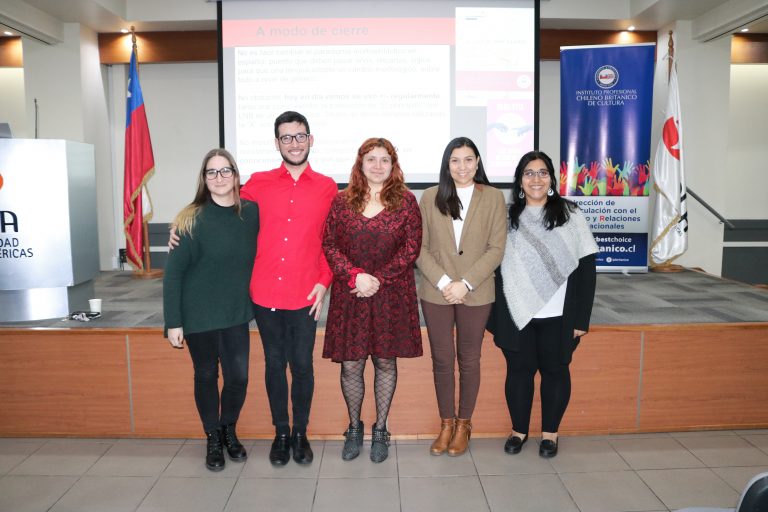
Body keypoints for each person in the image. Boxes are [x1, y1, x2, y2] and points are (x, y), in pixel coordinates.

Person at [170, 111, 337, 467]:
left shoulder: (327, 187)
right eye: (286, 137)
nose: (294, 143)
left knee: (303, 366)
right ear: (277, 143)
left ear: (311, 139)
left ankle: (299, 433)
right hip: (263, 295)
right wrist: (180, 223)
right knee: (275, 364)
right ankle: (280, 433)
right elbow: (217, 201)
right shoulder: (257, 184)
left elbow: (330, 243)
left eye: (300, 136)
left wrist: (324, 282)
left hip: (306, 294)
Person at [487, 150, 598, 458]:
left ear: (551, 178)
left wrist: (581, 320)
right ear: (519, 181)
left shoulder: (571, 214)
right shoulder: (506, 217)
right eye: (528, 173)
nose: (536, 178)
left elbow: (587, 268)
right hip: (517, 313)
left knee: (555, 372)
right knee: (518, 373)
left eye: (542, 172)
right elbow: (493, 265)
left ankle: (550, 434)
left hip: (560, 315)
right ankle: (518, 431)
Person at [322, 138, 422, 463]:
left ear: (393, 166)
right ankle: (353, 427)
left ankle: (381, 429)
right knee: (351, 364)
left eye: (384, 160)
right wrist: (356, 277)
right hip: (351, 295)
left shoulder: (406, 202)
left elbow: (411, 248)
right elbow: (330, 244)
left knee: (384, 361)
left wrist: (376, 279)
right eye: (371, 159)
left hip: (390, 294)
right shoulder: (341, 201)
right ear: (360, 164)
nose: (377, 166)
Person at [163, 148, 259, 471]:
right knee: (205, 375)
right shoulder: (190, 218)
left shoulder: (252, 213)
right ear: (204, 179)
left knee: (238, 378)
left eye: (224, 171)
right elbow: (173, 274)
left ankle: (229, 427)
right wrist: (173, 322)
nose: (218, 178)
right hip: (198, 315)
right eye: (211, 172)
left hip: (234, 313)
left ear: (235, 174)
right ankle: (212, 437)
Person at [417, 137, 507, 456]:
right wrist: (445, 281)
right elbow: (420, 248)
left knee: (469, 359)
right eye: (455, 160)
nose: (462, 166)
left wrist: (465, 283)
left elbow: (496, 249)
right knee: (442, 359)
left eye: (469, 160)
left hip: (477, 290)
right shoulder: (429, 197)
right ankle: (446, 423)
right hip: (435, 290)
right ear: (447, 164)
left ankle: (464, 424)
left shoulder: (493, 197)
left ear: (478, 163)